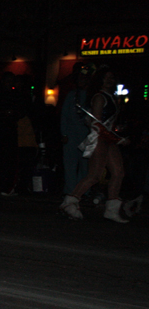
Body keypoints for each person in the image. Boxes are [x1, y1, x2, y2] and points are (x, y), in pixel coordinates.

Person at [59, 66, 129, 222]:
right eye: (106, 77)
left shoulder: (111, 97)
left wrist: (118, 134)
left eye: (112, 77)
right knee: (94, 176)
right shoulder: (99, 97)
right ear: (100, 80)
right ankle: (70, 201)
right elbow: (97, 125)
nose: (110, 80)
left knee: (118, 172)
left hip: (109, 139)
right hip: (99, 139)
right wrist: (118, 139)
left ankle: (111, 209)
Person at [59, 66, 91, 195]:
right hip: (71, 134)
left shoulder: (92, 96)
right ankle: (70, 191)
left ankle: (83, 191)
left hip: (87, 135)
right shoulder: (71, 95)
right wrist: (64, 133)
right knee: (70, 164)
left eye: (85, 78)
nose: (82, 81)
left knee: (86, 165)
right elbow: (64, 115)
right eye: (80, 79)